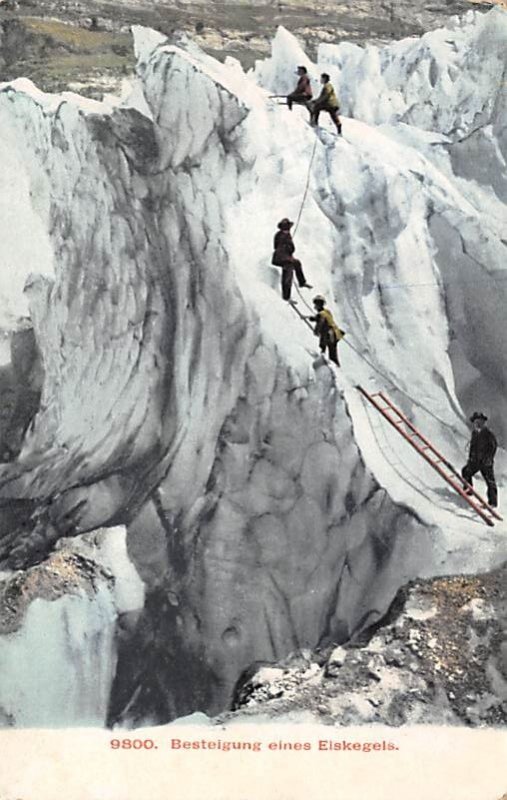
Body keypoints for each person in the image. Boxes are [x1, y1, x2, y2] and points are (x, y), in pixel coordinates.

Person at [461, 411, 498, 507]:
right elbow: (472, 447)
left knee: (490, 482)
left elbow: (493, 446)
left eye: (479, 422)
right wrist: (470, 459)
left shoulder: (488, 433)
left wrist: (489, 458)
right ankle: (468, 491)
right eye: (475, 422)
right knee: (466, 471)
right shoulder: (474, 433)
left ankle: (493, 503)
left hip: (486, 462)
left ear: (483, 422)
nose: (477, 424)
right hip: (476, 461)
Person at [271, 218, 312, 301]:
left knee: (297, 263)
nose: (287, 229)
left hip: (284, 257)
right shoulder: (282, 236)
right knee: (288, 274)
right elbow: (285, 249)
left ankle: (302, 282)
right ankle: (286, 296)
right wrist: (288, 254)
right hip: (281, 258)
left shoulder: (282, 235)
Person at [308, 295, 345, 366]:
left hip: (328, 335)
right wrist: (314, 318)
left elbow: (320, 322)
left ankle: (324, 361)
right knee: (333, 352)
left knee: (324, 347)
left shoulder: (322, 314)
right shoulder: (327, 312)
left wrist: (316, 331)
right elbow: (321, 318)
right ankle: (335, 365)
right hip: (335, 334)